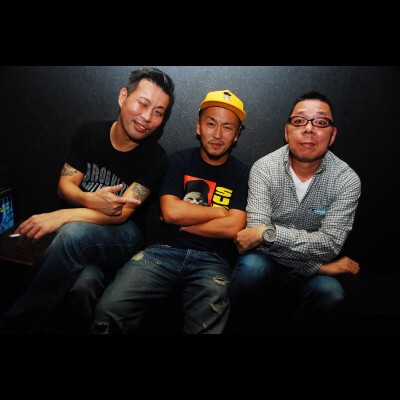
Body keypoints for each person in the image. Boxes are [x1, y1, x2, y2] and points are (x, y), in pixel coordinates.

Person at [0, 67, 175, 333]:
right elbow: (65, 186)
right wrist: (89, 199)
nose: (147, 117)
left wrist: (62, 215)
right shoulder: (89, 133)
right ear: (123, 96)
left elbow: (121, 213)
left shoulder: (157, 158)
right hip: (80, 234)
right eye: (143, 103)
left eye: (159, 112)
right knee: (83, 285)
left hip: (123, 235)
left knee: (73, 233)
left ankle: (14, 326)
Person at [91, 89, 250, 334]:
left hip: (212, 261)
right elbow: (171, 211)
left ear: (237, 134)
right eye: (211, 124)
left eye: (227, 127)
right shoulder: (178, 161)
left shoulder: (242, 174)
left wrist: (183, 221)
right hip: (163, 252)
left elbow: (234, 227)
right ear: (198, 126)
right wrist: (220, 212)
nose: (218, 134)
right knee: (109, 309)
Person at [228, 90, 361, 333]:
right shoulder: (264, 168)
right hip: (268, 263)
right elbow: (254, 240)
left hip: (308, 276)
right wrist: (320, 267)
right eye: (299, 121)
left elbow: (330, 245)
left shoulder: (346, 180)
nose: (309, 129)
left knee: (330, 293)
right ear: (286, 131)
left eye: (320, 122)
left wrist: (269, 233)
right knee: (252, 268)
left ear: (332, 135)